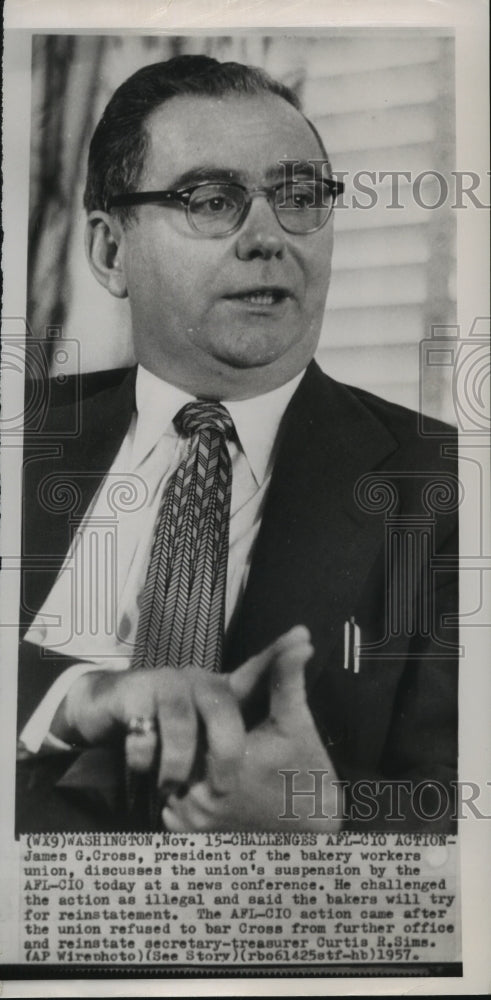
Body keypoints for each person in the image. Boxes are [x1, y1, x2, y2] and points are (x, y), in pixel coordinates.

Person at [16, 55, 458, 833]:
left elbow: (463, 821)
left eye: (297, 198)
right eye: (212, 200)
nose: (267, 237)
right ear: (110, 252)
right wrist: (69, 699)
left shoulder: (450, 487)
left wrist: (318, 828)